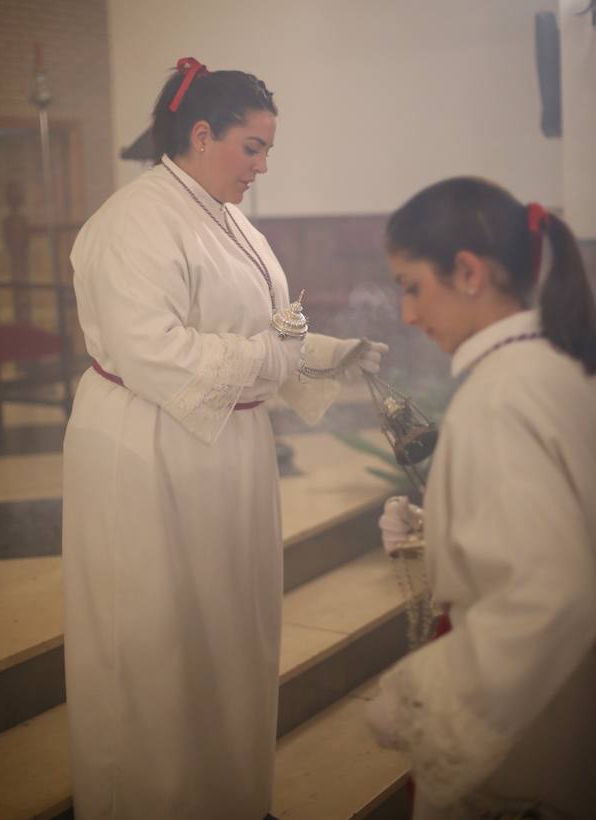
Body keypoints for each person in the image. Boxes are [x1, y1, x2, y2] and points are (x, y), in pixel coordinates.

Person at [63, 56, 388, 820]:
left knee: (231, 632)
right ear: (201, 134)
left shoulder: (229, 217)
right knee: (156, 640)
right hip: (151, 451)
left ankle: (228, 798)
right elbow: (155, 353)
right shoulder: (132, 221)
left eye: (268, 149)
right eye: (252, 147)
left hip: (225, 450)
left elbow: (267, 330)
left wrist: (323, 352)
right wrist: (279, 357)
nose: (262, 166)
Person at [367, 177, 596, 820]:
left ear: (467, 271)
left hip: (533, 728)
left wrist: (427, 700)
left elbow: (549, 593)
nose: (409, 314)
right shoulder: (554, 363)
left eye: (412, 286)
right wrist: (433, 528)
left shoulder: (499, 396)